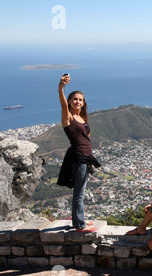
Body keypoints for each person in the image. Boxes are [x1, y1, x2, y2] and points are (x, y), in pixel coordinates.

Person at [57, 74, 101, 233]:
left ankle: (78, 223)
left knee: (79, 193)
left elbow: (86, 138)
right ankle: (80, 226)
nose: (77, 101)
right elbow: (62, 106)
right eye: (74, 99)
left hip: (85, 158)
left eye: (80, 100)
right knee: (79, 194)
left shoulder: (82, 118)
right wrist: (61, 88)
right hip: (78, 159)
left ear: (83, 103)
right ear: (69, 101)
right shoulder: (68, 117)